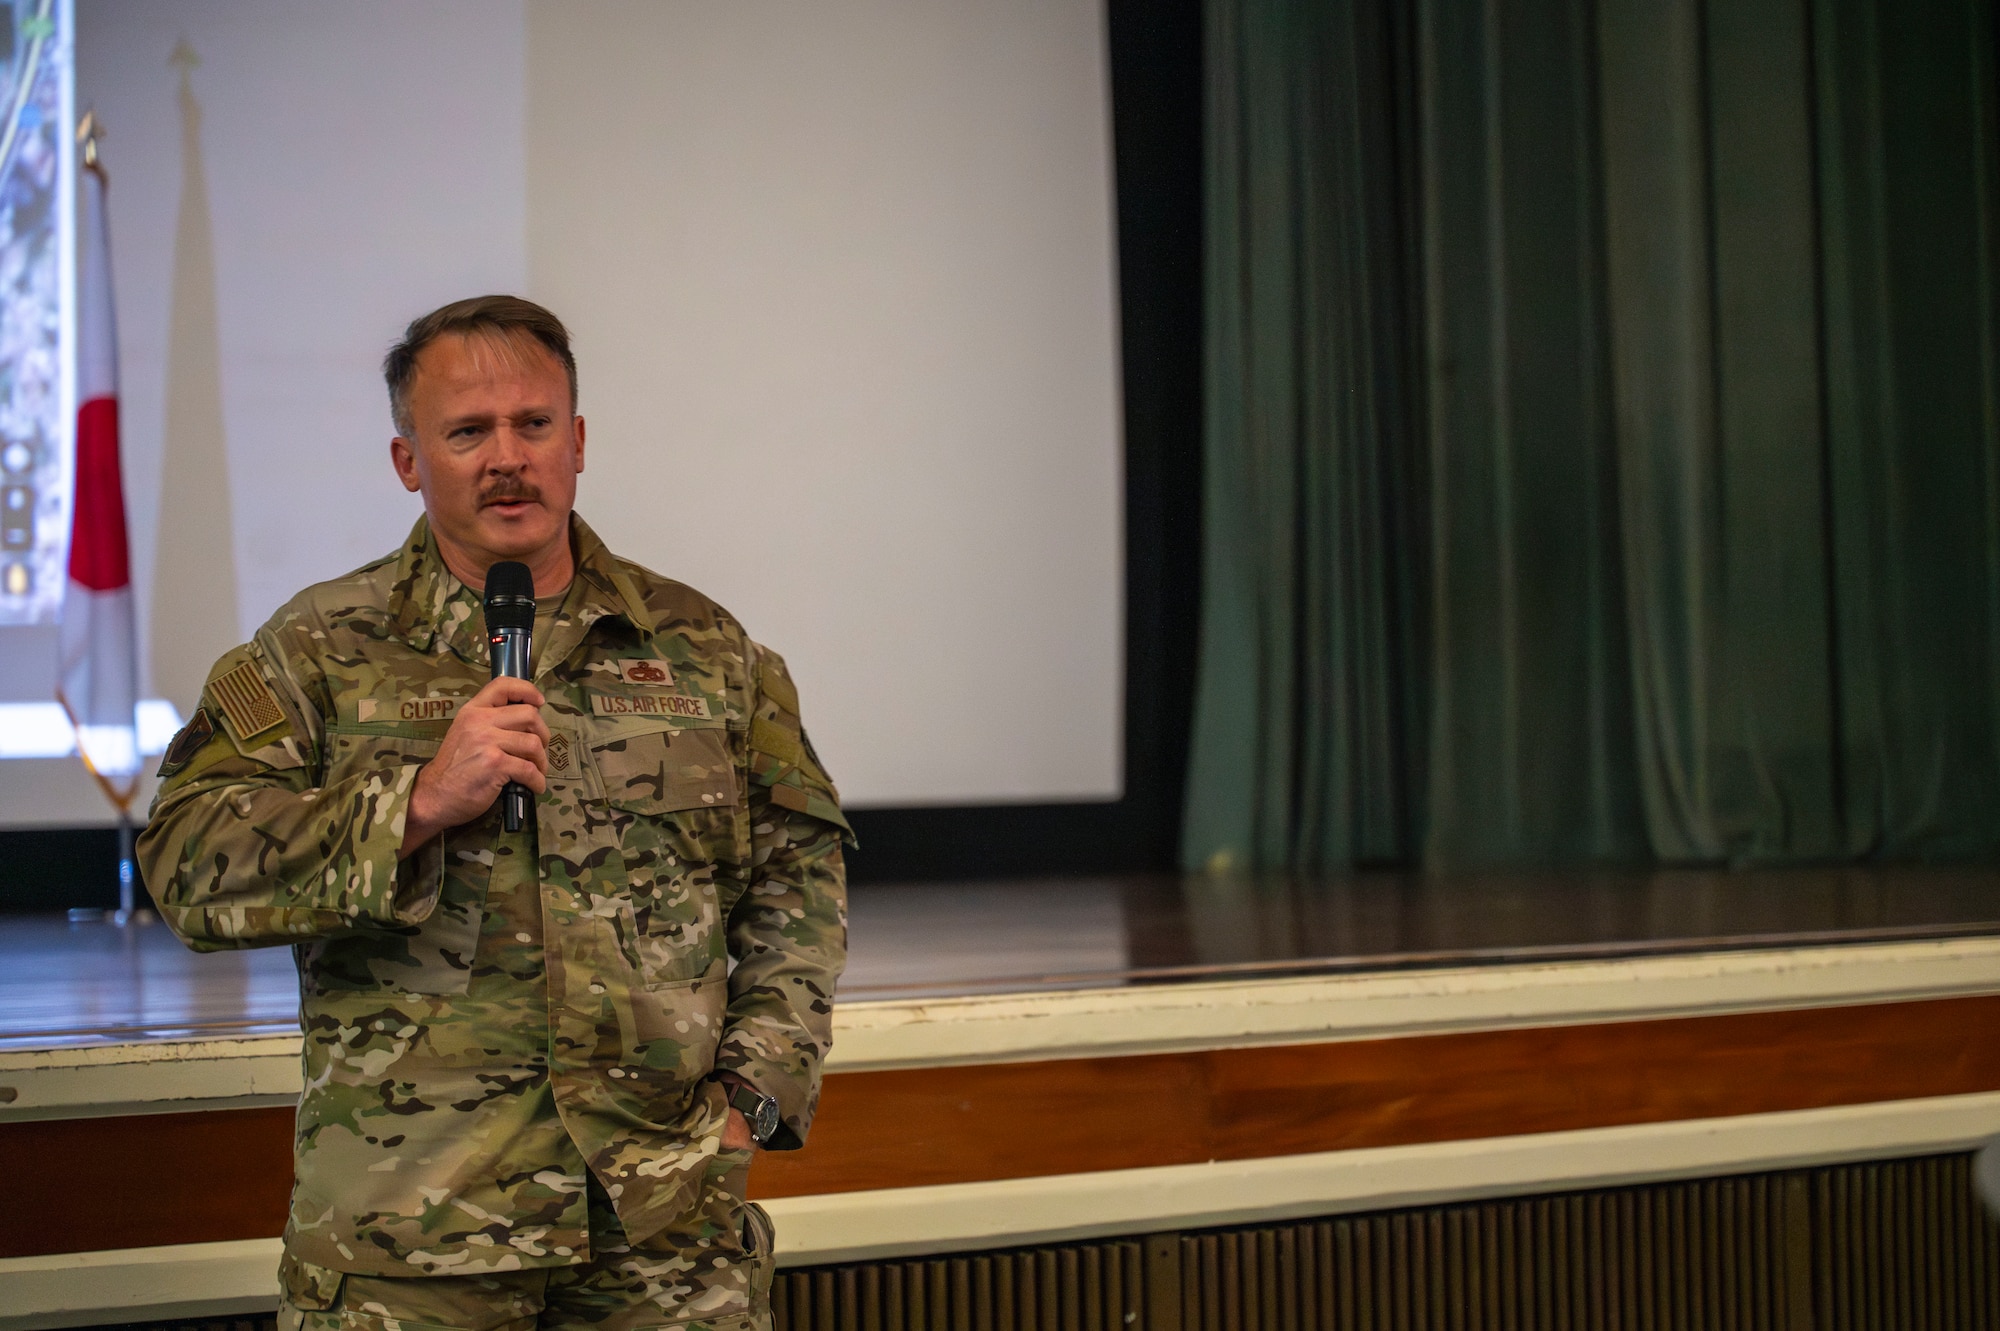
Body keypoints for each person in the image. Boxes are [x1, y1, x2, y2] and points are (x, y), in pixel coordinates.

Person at [137, 295, 851, 1331]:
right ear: (408, 461)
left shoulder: (707, 650)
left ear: (579, 441)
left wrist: (759, 1088)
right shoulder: (319, 649)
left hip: (660, 1240)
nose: (506, 457)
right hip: (411, 1242)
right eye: (467, 431)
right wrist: (416, 802)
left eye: (534, 424)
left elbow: (798, 875)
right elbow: (185, 866)